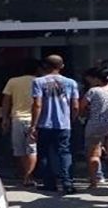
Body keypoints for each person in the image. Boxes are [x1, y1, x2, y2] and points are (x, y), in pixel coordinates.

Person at [29, 54, 79, 194]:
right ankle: (67, 182)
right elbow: (75, 105)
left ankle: (49, 182)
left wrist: (34, 125)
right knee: (64, 152)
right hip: (64, 123)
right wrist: (72, 119)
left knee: (44, 153)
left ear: (45, 66)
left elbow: (37, 104)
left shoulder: (38, 82)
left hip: (44, 123)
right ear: (62, 66)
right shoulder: (71, 83)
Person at [80, 67, 108, 189]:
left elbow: (82, 106)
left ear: (96, 78)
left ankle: (94, 182)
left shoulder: (93, 91)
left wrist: (83, 114)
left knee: (94, 154)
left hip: (96, 125)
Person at [2, 59, 39, 187]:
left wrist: (5, 118)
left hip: (17, 118)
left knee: (19, 150)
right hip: (35, 119)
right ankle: (29, 176)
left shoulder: (13, 81)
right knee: (32, 149)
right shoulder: (39, 82)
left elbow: (6, 101)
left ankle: (25, 175)